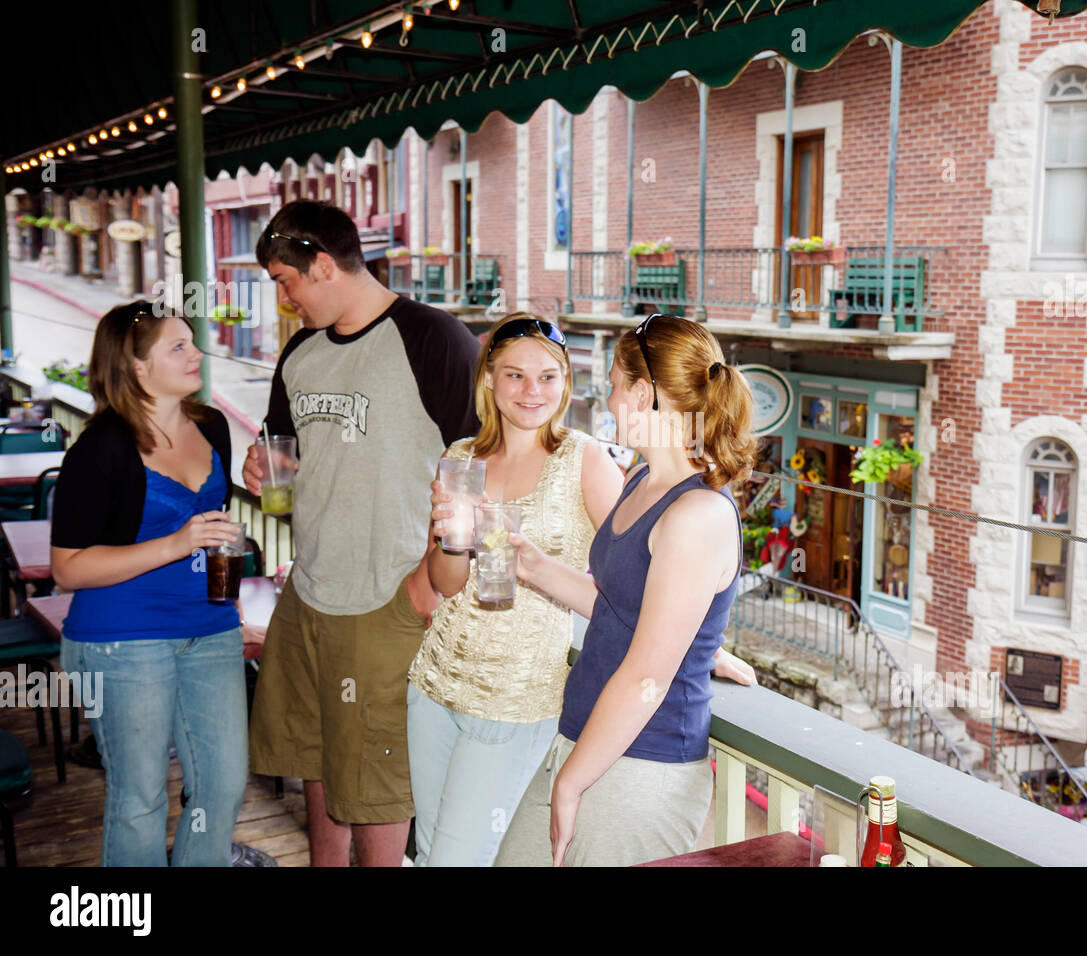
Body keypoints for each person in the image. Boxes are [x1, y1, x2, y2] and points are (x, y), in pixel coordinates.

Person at [243, 200, 480, 867]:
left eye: (286, 281)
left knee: (378, 778)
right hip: (311, 587)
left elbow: (477, 470)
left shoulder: (434, 338)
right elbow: (284, 472)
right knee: (318, 754)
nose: (284, 299)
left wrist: (434, 574)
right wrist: (262, 466)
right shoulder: (299, 353)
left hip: (388, 596)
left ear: (322, 264)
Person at [495, 313, 758, 866]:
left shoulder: (697, 514)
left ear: (642, 393)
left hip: (643, 765)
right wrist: (536, 566)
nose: (608, 400)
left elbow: (645, 678)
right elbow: (623, 610)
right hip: (587, 739)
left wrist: (569, 783)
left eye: (613, 386)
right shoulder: (640, 479)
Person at [406, 313, 623, 866]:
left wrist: (706, 646)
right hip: (432, 685)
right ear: (489, 380)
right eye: (515, 375)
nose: (533, 391)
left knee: (457, 861)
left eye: (548, 376)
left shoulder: (586, 460)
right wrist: (450, 537)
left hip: (515, 700)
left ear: (566, 382)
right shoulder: (460, 457)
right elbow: (445, 584)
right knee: (432, 851)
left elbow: (636, 583)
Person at [51, 301, 251, 866]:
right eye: (179, 347)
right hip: (123, 640)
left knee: (221, 786)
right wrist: (175, 544)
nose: (197, 354)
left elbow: (209, 524)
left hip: (211, 628)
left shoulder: (210, 426)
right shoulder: (99, 448)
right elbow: (68, 567)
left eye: (193, 342)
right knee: (139, 799)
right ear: (137, 367)